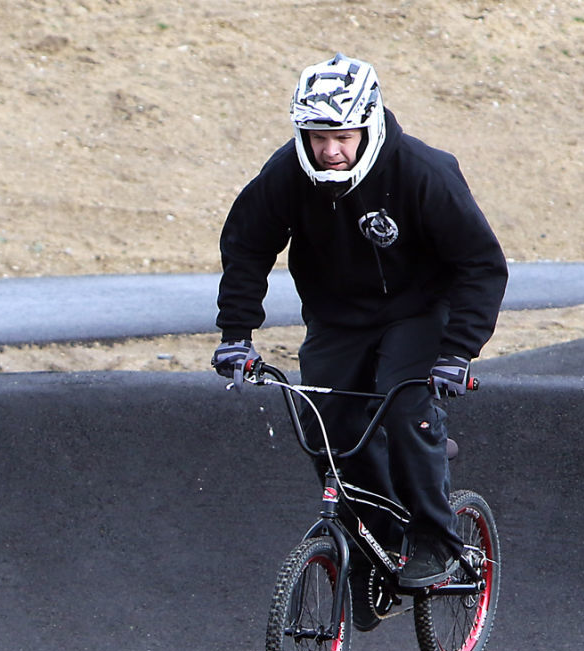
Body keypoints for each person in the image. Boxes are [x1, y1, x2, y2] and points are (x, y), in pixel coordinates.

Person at [213, 52, 508, 598]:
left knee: (404, 409)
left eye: (343, 135)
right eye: (317, 136)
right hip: (336, 318)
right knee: (330, 434)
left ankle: (433, 539)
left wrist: (458, 351)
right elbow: (247, 248)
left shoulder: (422, 172)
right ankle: (377, 542)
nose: (329, 150)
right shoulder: (287, 174)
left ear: (368, 124)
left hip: (418, 311)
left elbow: (481, 264)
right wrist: (236, 337)